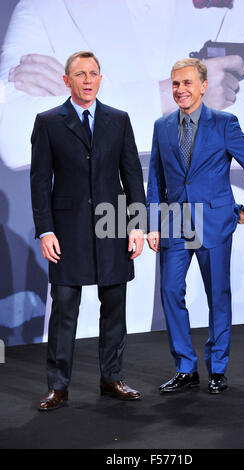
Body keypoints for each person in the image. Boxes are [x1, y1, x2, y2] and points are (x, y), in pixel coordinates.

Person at [0, 0, 244, 343]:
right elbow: (15, 134)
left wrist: (81, 100)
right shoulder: (44, 5)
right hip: (98, 258)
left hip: (228, 263)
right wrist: (172, 98)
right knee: (95, 388)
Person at [30, 51, 146, 410]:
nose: (87, 80)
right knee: (65, 310)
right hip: (67, 230)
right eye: (80, 74)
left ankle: (112, 378)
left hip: (112, 225)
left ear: (100, 78)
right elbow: (39, 182)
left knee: (114, 307)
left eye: (93, 73)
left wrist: (137, 224)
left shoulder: (118, 120)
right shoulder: (48, 121)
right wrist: (45, 230)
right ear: (67, 80)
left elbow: (132, 176)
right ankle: (58, 386)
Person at [147, 58, 244, 394]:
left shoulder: (224, 123)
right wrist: (153, 223)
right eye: (175, 84)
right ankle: (186, 368)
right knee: (170, 292)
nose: (180, 90)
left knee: (218, 296)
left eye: (186, 83)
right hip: (174, 224)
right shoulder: (162, 126)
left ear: (202, 86)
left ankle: (217, 367)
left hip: (214, 222)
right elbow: (155, 179)